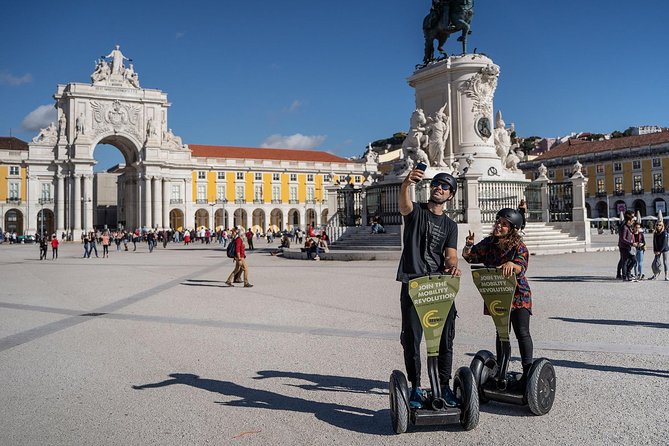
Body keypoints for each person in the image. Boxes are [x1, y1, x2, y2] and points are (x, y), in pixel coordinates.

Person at [396, 170, 461, 409]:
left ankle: (444, 385)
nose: (439, 188)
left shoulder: (450, 226)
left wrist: (453, 267)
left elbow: (451, 255)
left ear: (451, 195)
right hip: (414, 284)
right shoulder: (416, 213)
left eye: (445, 186)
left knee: (445, 338)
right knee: (412, 338)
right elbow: (403, 205)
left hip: (439, 285)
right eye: (436, 184)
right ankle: (415, 387)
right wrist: (405, 184)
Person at [462, 208, 534, 391]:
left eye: (504, 224)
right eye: (498, 222)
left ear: (513, 229)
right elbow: (470, 257)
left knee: (522, 332)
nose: (498, 226)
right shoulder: (489, 243)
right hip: (497, 294)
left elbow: (522, 265)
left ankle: (528, 372)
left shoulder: (519, 246)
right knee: (501, 333)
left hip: (518, 295)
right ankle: (501, 371)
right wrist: (469, 245)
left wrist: (513, 264)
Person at [617, 211, 636, 281]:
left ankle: (627, 273)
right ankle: (624, 276)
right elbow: (622, 238)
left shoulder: (629, 227)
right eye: (632, 220)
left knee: (633, 260)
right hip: (624, 247)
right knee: (624, 261)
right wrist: (631, 243)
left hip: (628, 246)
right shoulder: (624, 227)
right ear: (629, 220)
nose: (633, 221)